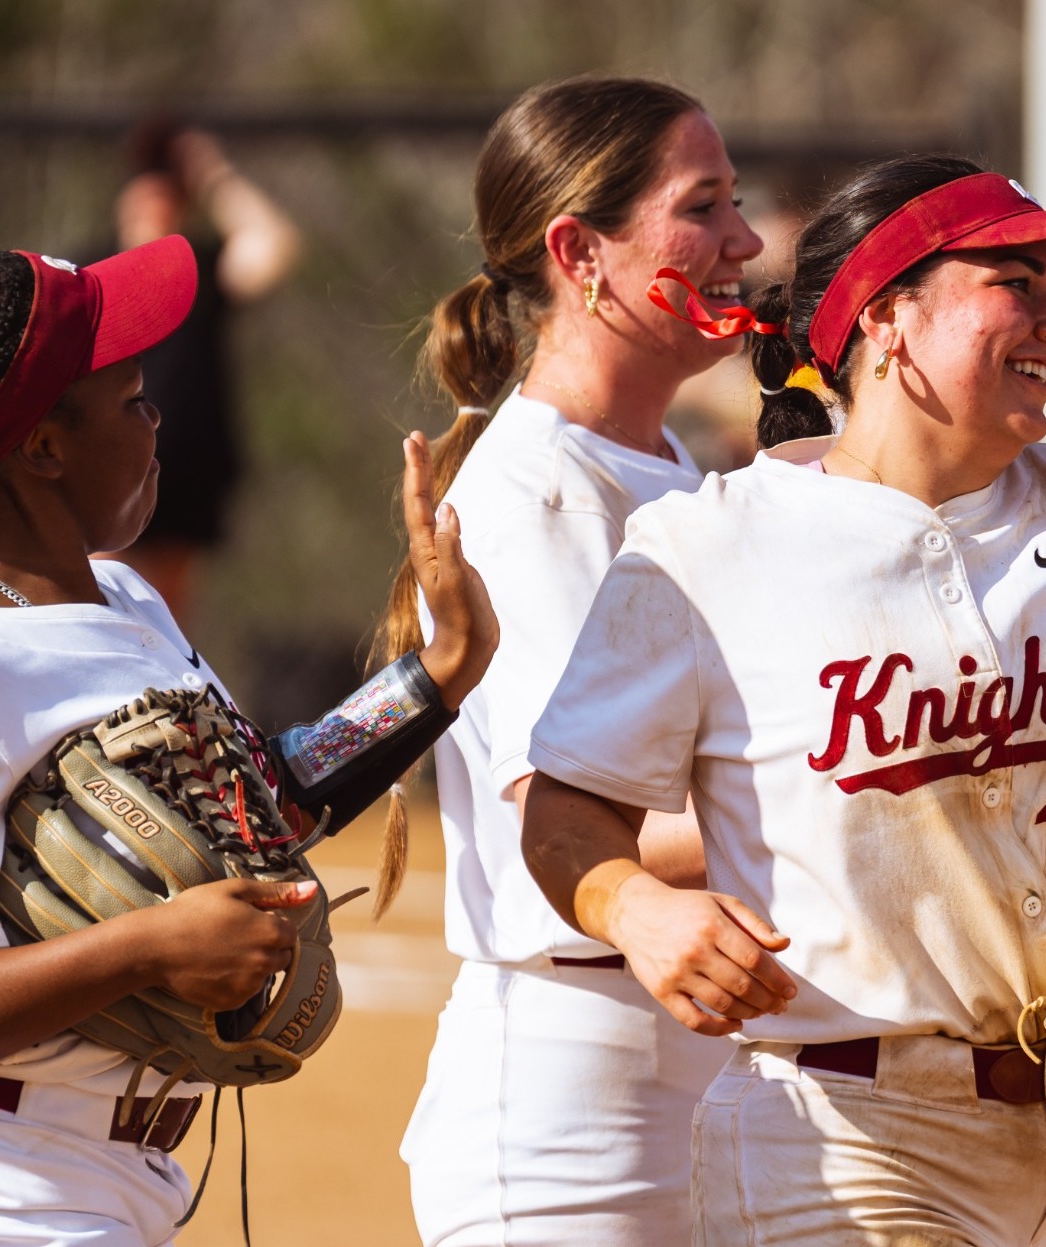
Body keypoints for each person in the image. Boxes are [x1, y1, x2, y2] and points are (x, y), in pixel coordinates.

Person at [518, 155, 1046, 1245]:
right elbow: (564, 809)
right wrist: (635, 908)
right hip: (841, 1136)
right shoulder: (711, 543)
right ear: (886, 316)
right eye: (1018, 283)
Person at [0, 238, 491, 1244]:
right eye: (133, 395)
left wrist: (436, 674)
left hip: (116, 1180)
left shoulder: (130, 601)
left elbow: (252, 798)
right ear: (44, 448)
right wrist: (141, 947)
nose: (155, 418)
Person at [372, 76, 763, 1246]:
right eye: (703, 208)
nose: (743, 241)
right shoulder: (539, 490)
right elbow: (580, 825)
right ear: (578, 251)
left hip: (682, 1064)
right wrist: (857, 796)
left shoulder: (666, 464)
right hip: (574, 1113)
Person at [104, 120, 301, 622]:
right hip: (105, 457)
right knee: (95, 596)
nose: (154, 206)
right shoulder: (92, 273)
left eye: (167, 195)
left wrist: (213, 173)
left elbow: (274, 244)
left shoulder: (200, 269)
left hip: (185, 466)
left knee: (161, 617)